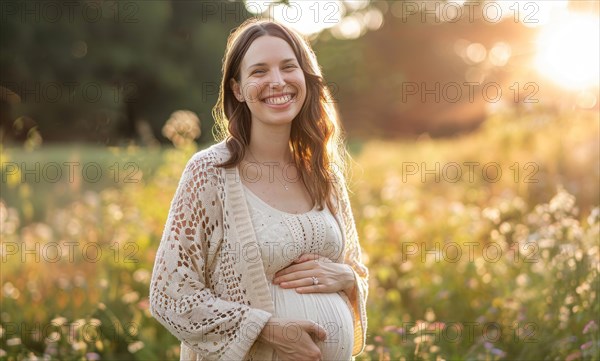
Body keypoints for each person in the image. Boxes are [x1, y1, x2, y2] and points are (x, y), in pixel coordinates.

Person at [149, 18, 368, 361]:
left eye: (288, 67)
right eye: (259, 71)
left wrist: (348, 278)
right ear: (237, 89)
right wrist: (267, 330)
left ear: (305, 78)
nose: (277, 81)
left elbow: (354, 267)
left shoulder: (324, 173)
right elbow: (171, 295)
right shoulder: (210, 173)